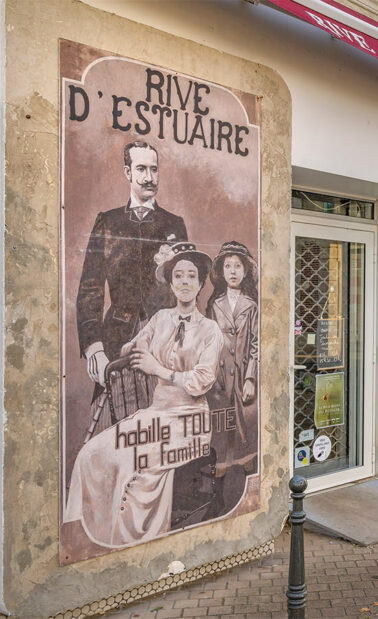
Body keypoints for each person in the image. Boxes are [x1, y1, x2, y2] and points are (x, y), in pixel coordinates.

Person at [64, 242, 223, 547]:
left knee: (132, 464)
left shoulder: (210, 329)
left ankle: (131, 544)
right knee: (91, 454)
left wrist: (158, 369)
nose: (185, 282)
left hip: (189, 422)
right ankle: (93, 537)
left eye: (192, 276)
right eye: (179, 276)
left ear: (201, 282)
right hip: (156, 414)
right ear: (171, 282)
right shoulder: (161, 318)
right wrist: (126, 351)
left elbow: (201, 381)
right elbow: (132, 347)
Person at [77, 141, 189, 395]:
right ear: (127, 172)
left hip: (165, 340)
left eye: (154, 169)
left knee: (165, 416)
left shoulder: (174, 224)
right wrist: (94, 346)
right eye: (141, 169)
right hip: (117, 339)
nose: (149, 178)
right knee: (116, 418)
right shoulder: (108, 222)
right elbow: (90, 288)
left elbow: (186, 287)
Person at [205, 241, 259, 477]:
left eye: (238, 266)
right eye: (228, 266)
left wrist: (251, 379)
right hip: (220, 376)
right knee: (221, 418)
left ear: (245, 271)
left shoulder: (251, 306)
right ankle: (221, 464)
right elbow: (208, 341)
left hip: (243, 374)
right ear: (221, 271)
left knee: (246, 419)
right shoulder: (214, 305)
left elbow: (257, 344)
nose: (233, 271)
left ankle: (247, 461)